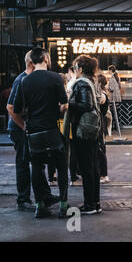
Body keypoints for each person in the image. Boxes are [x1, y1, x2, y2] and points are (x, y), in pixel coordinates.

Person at [13, 48, 69, 218]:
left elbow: (17, 109)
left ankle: (40, 206)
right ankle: (63, 206)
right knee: (61, 167)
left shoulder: (25, 81)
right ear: (45, 58)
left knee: (37, 168)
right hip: (52, 130)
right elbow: (63, 104)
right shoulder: (55, 78)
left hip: (34, 132)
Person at [6, 50, 57, 212]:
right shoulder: (21, 80)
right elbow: (11, 108)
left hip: (29, 128)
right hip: (19, 129)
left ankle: (45, 195)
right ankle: (23, 199)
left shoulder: (31, 79)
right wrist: (23, 127)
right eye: (44, 60)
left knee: (38, 161)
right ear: (31, 62)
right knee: (23, 162)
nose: (47, 63)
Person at [69, 55, 102, 214]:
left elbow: (86, 104)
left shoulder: (82, 83)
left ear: (80, 69)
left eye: (75, 67)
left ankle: (89, 204)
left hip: (84, 130)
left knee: (86, 167)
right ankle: (95, 203)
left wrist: (68, 103)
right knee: (93, 167)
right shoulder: (93, 82)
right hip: (93, 130)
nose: (74, 71)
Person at [96, 74, 110, 184]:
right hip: (102, 123)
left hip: (100, 124)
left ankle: (104, 175)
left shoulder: (102, 95)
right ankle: (102, 174)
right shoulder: (103, 93)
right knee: (101, 149)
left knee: (100, 150)